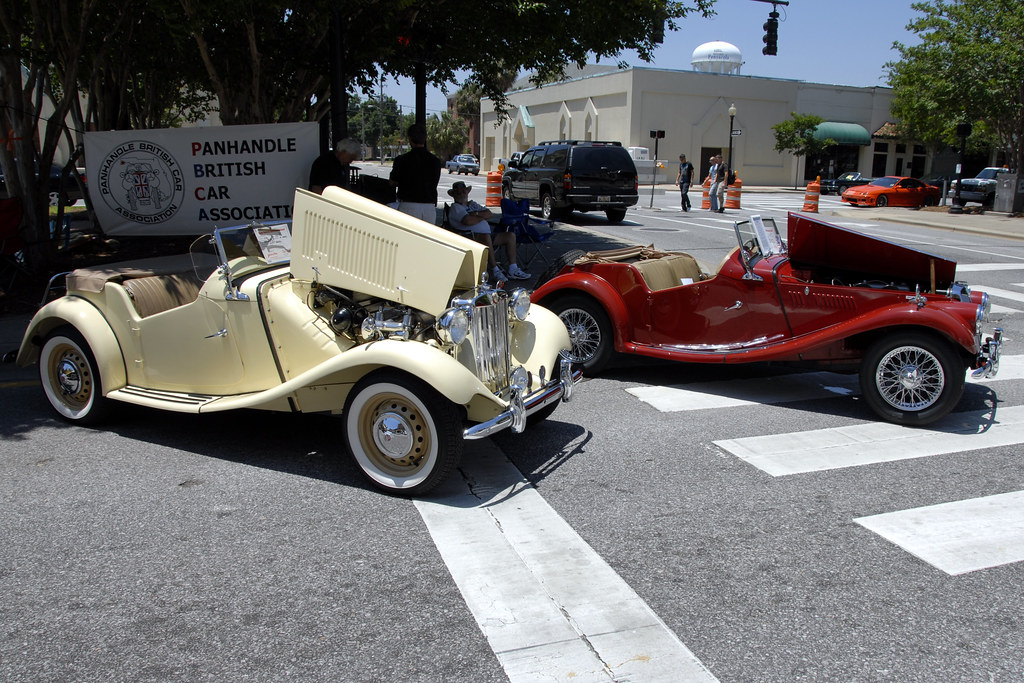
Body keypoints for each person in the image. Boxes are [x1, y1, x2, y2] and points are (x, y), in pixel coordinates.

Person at [447, 181, 530, 281]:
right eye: (458, 192)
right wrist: (481, 217)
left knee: (510, 236)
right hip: (467, 237)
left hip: (484, 236)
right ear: (454, 195)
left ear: (467, 192)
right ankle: (495, 270)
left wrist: (476, 214)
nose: (461, 194)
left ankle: (513, 269)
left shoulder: (473, 204)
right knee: (485, 237)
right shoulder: (456, 207)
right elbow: (468, 221)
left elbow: (489, 214)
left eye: (463, 191)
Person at [389, 123, 442, 224]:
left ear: (409, 138)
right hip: (429, 207)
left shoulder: (401, 160)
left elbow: (392, 182)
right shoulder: (435, 161)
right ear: (425, 138)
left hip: (408, 205)